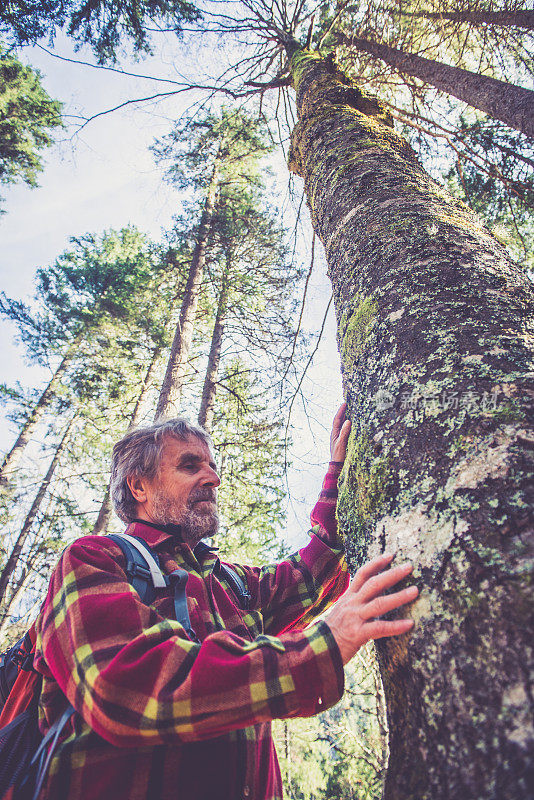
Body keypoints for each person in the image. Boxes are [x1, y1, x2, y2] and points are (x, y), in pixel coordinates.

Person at [33, 405, 418, 799]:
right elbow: (129, 689)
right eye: (189, 465)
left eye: (212, 467)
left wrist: (340, 473)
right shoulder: (92, 560)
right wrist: (322, 647)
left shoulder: (231, 582)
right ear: (139, 487)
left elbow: (312, 571)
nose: (213, 478)